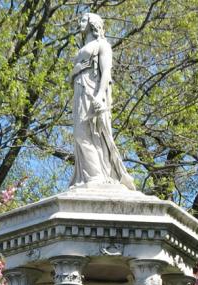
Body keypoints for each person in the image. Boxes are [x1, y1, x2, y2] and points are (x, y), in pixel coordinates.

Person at [70, 13, 135, 190]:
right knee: (80, 133)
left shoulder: (102, 45)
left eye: (83, 20)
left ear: (93, 24)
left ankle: (97, 176)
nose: (79, 23)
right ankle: (93, 174)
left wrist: (99, 96)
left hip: (92, 92)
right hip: (80, 91)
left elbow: (106, 72)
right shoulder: (84, 47)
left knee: (91, 132)